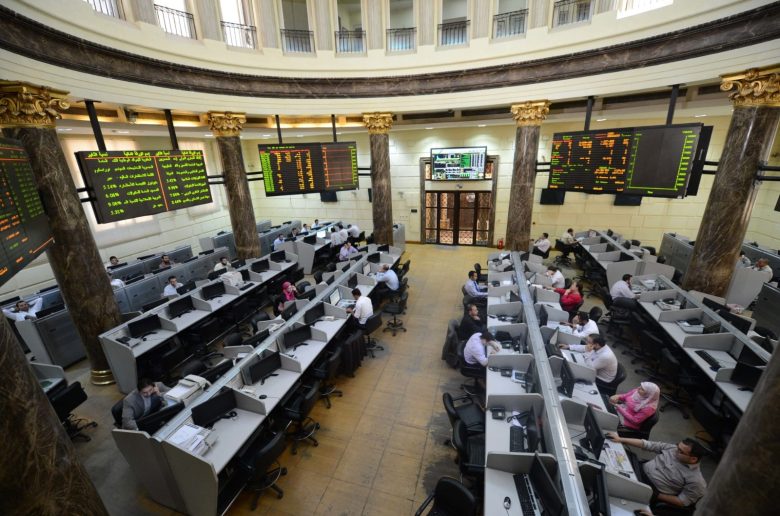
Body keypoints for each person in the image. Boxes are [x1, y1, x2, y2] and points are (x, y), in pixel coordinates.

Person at [606, 433, 707, 509]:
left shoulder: (696, 481)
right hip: (638, 468)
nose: (676, 450)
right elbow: (648, 444)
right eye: (678, 447)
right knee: (608, 463)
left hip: (649, 487)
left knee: (612, 489)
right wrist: (620, 439)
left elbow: (682, 501)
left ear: (693, 459)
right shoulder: (673, 448)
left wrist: (655, 495)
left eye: (681, 451)